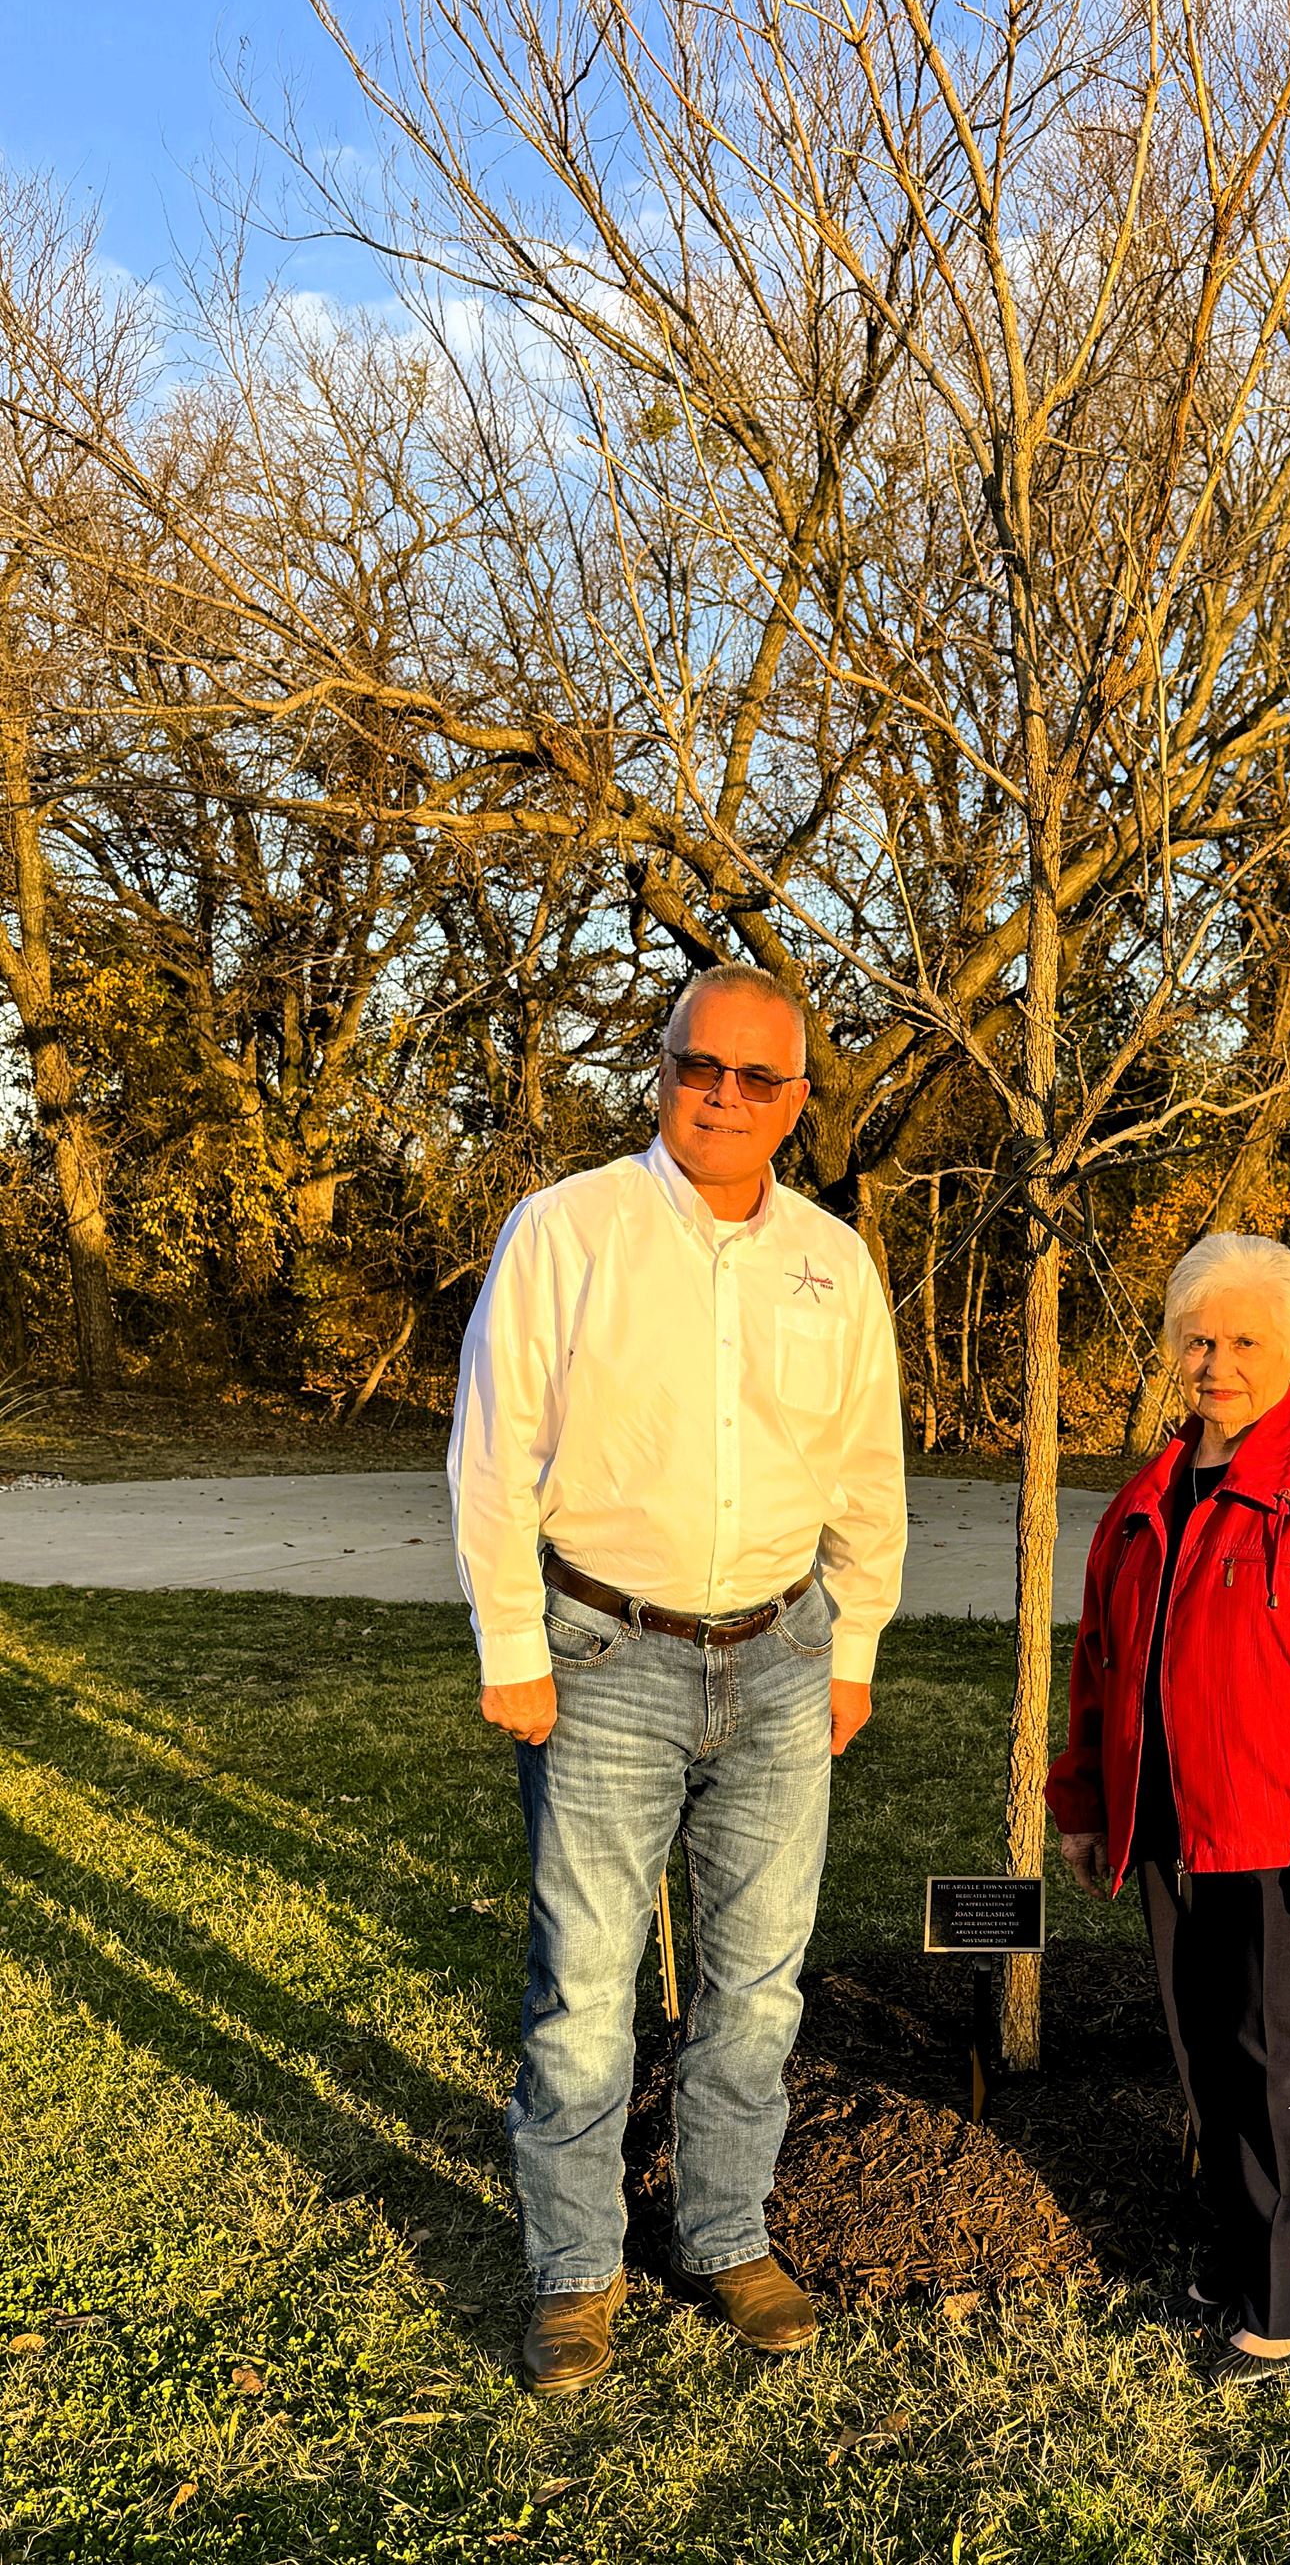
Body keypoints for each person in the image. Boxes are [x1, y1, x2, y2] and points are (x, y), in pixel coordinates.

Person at [448, 963, 907, 2394]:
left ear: (797, 1102)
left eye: (754, 1078)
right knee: (586, 1989)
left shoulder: (832, 1258)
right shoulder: (568, 1227)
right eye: (695, 1066)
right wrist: (513, 1646)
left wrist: (855, 1646)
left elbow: (863, 1468)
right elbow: (493, 1447)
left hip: (779, 1660)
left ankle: (723, 2235)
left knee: (756, 1987)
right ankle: (575, 2271)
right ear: (662, 1071)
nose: (720, 1094)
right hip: (602, 1659)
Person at [1046, 1232, 1290, 2384]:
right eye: (1197, 1337)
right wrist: (1084, 1802)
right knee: (1211, 2055)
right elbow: (1100, 1663)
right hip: (1177, 1826)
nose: (1218, 1362)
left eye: (1245, 1339)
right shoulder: (1150, 1492)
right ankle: (1235, 2247)